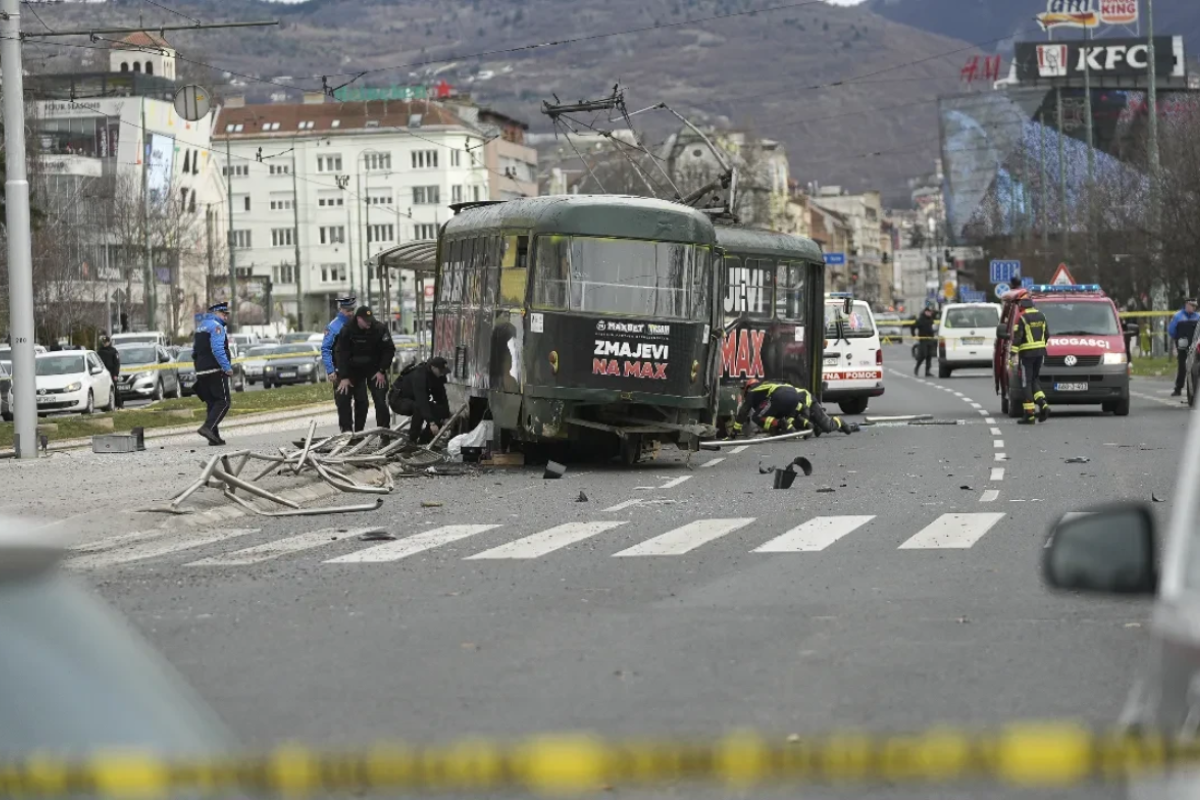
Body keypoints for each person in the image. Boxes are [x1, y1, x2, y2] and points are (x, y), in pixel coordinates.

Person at [334, 306, 396, 432]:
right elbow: (341, 354)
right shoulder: (347, 330)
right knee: (343, 395)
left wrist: (382, 370)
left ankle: (384, 432)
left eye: (370, 320)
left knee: (380, 398)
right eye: (366, 320)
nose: (369, 323)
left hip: (374, 368)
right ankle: (347, 432)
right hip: (353, 369)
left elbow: (389, 350)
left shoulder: (379, 328)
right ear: (358, 319)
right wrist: (344, 377)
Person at [730, 379, 859, 438]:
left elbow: (744, 410)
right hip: (793, 402)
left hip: (807, 402)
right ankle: (807, 425)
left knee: (827, 426)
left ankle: (839, 421)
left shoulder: (754, 390)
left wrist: (735, 430)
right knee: (807, 425)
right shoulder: (768, 388)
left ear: (748, 388)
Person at [193, 302, 233, 445]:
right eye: (223, 314)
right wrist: (227, 367)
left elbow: (195, 352)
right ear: (215, 313)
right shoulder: (217, 327)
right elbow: (217, 349)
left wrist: (198, 370)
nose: (226, 317)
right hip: (215, 370)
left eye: (226, 314)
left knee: (212, 403)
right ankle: (207, 427)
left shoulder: (200, 328)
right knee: (224, 402)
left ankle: (214, 437)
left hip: (202, 371)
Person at [391, 356, 451, 443]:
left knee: (440, 411)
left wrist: (445, 416)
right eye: (441, 371)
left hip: (414, 400)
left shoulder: (438, 376)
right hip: (398, 400)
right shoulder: (419, 375)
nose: (442, 374)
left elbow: (442, 397)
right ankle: (412, 440)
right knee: (419, 407)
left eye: (444, 372)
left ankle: (424, 441)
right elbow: (421, 400)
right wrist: (432, 422)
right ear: (433, 367)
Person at [321, 295, 357, 432]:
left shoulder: (357, 324)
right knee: (343, 403)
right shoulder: (333, 326)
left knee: (362, 403)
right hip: (340, 372)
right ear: (341, 309)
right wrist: (330, 370)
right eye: (348, 311)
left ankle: (359, 432)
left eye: (352, 310)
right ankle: (346, 432)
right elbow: (326, 349)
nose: (351, 313)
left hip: (356, 371)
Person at [1012, 296, 1050, 425]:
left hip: (1027, 355)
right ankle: (1043, 404)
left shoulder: (1022, 317)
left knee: (1025, 383)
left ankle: (1029, 415)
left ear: (1022, 307)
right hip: (1040, 353)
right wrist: (1040, 346)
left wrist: (1013, 353)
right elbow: (1047, 335)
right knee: (1033, 380)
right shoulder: (1042, 316)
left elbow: (1018, 337)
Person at [1168, 298, 1199, 397]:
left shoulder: (1197, 317)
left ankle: (1195, 387)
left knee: (1195, 366)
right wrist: (1177, 339)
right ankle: (1178, 388)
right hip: (1182, 344)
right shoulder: (1178, 316)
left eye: (1194, 306)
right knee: (1182, 366)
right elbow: (1171, 330)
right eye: (1191, 305)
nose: (1193, 308)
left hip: (1195, 344)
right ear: (1186, 305)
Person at [96, 334, 123, 409]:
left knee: (115, 390)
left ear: (109, 342)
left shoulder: (113, 351)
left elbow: (117, 364)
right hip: (103, 374)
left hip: (112, 373)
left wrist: (116, 374)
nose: (105, 344)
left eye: (106, 342)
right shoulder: (100, 352)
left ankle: (119, 405)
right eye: (104, 342)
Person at [912, 305, 937, 377]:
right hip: (923, 340)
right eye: (929, 312)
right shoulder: (921, 319)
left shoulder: (931, 319)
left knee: (929, 356)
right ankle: (917, 368)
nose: (930, 313)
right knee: (923, 355)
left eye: (930, 312)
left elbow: (933, 327)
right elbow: (913, 326)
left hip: (930, 339)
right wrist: (914, 335)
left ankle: (927, 371)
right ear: (925, 312)